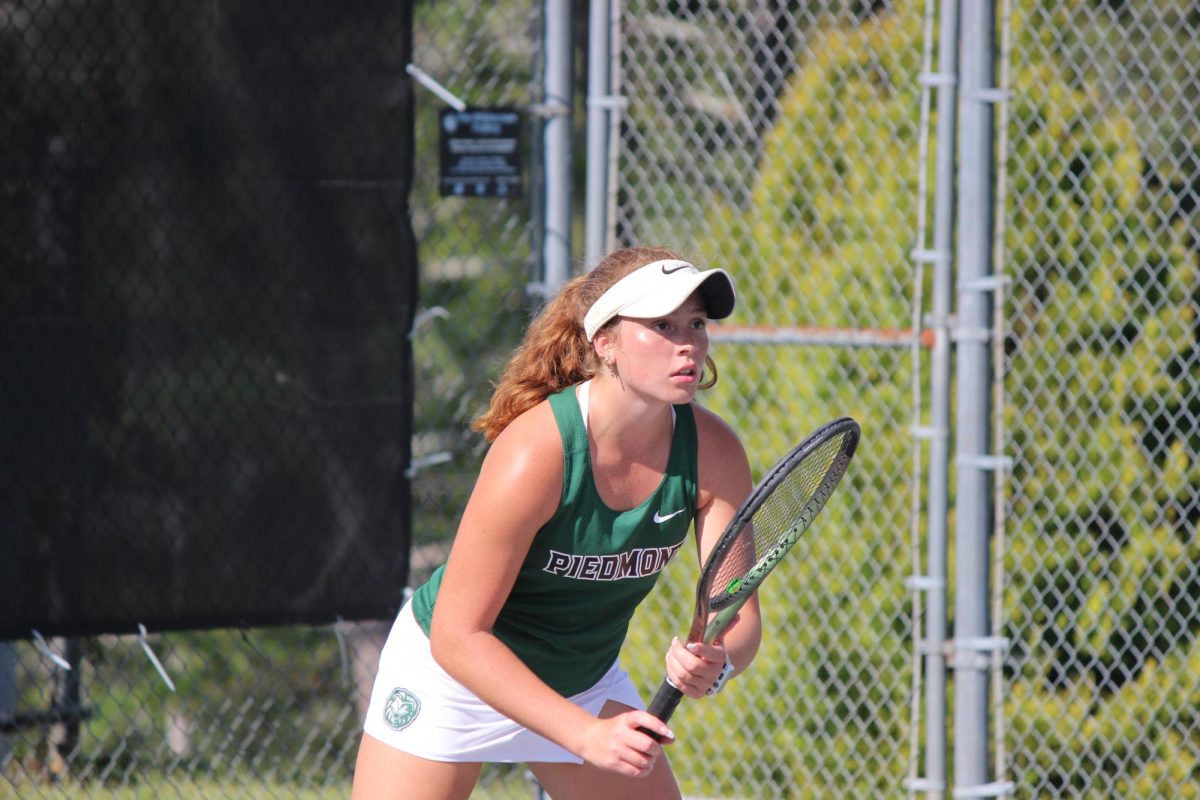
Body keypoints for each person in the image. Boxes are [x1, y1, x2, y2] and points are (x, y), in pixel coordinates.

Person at [351, 246, 761, 800]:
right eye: (661, 325)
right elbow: (457, 635)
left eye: (695, 324)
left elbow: (739, 621)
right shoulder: (537, 452)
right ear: (605, 343)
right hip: (456, 679)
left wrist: (717, 662)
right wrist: (583, 735)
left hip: (580, 681)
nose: (686, 342)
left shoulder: (714, 452)